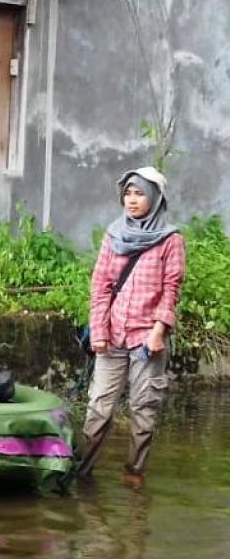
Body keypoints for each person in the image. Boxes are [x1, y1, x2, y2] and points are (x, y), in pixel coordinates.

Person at [77, 167, 185, 487]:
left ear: (155, 197)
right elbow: (100, 287)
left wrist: (157, 332)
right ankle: (83, 471)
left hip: (145, 339)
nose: (132, 200)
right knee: (99, 407)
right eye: (128, 193)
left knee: (143, 409)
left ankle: (134, 471)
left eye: (139, 193)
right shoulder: (114, 235)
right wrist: (99, 332)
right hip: (112, 336)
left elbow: (171, 289)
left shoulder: (170, 240)